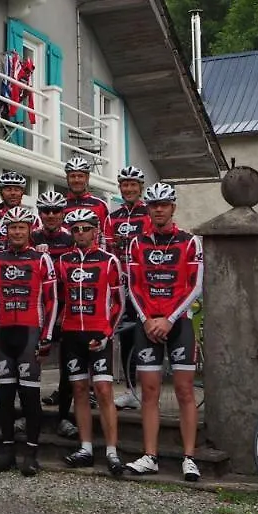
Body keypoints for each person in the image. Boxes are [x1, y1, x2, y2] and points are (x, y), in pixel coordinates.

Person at [123, 182, 204, 482]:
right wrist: (146, 319)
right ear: (148, 208)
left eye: (164, 204)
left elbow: (195, 285)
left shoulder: (190, 242)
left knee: (184, 391)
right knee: (149, 392)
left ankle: (189, 458)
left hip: (178, 323)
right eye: (153, 205)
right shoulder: (136, 243)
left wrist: (169, 319)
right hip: (148, 324)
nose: (158, 209)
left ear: (173, 207)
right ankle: (150, 456)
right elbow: (133, 285)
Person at [0, 205, 58, 477]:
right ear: (6, 231)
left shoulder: (41, 259)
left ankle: (31, 453)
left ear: (30, 230)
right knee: (4, 396)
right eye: (12, 227)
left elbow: (52, 301)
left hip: (29, 334)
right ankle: (6, 450)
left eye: (21, 227)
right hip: (4, 334)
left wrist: (47, 336)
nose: (16, 232)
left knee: (29, 396)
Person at [56, 208, 125, 476]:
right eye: (75, 229)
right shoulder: (64, 261)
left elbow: (119, 303)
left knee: (104, 391)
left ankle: (112, 451)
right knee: (80, 391)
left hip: (99, 333)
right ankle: (85, 448)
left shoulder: (109, 261)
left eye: (86, 228)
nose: (81, 233)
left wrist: (107, 333)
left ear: (95, 230)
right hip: (72, 333)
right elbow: (59, 298)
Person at [32, 189, 80, 439]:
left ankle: (63, 417)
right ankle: (29, 414)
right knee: (31, 364)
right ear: (39, 214)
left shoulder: (72, 238)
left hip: (65, 308)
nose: (51, 215)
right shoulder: (30, 236)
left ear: (64, 213)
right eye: (46, 211)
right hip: (37, 308)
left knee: (67, 366)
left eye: (56, 211)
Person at [104, 165, 152, 409]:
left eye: (133, 184)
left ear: (140, 188)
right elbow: (109, 252)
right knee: (126, 337)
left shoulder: (150, 213)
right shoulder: (112, 217)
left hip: (147, 285)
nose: (129, 188)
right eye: (125, 184)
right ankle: (131, 391)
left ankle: (148, 391)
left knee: (147, 336)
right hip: (122, 286)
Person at [0, 170, 31, 252]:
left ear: (22, 193)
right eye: (8, 189)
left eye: (16, 189)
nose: (13, 193)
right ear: (1, 193)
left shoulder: (31, 219)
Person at [62, 155, 110, 237]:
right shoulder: (60, 205)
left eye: (80, 176)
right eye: (73, 176)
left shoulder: (100, 205)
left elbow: (107, 235)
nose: (76, 180)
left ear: (87, 178)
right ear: (67, 178)